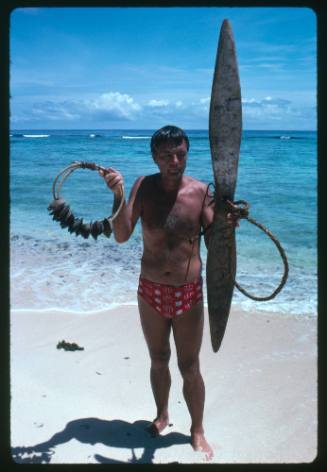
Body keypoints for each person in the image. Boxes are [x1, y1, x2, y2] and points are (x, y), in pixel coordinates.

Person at [99, 125, 237, 460]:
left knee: (189, 365)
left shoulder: (202, 192)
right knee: (158, 359)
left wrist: (228, 221)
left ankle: (197, 429)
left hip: (188, 292)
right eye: (166, 155)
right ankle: (162, 416)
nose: (175, 161)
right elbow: (121, 235)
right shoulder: (143, 187)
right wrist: (117, 194)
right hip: (150, 290)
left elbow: (217, 235)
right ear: (154, 157)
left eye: (181, 154)